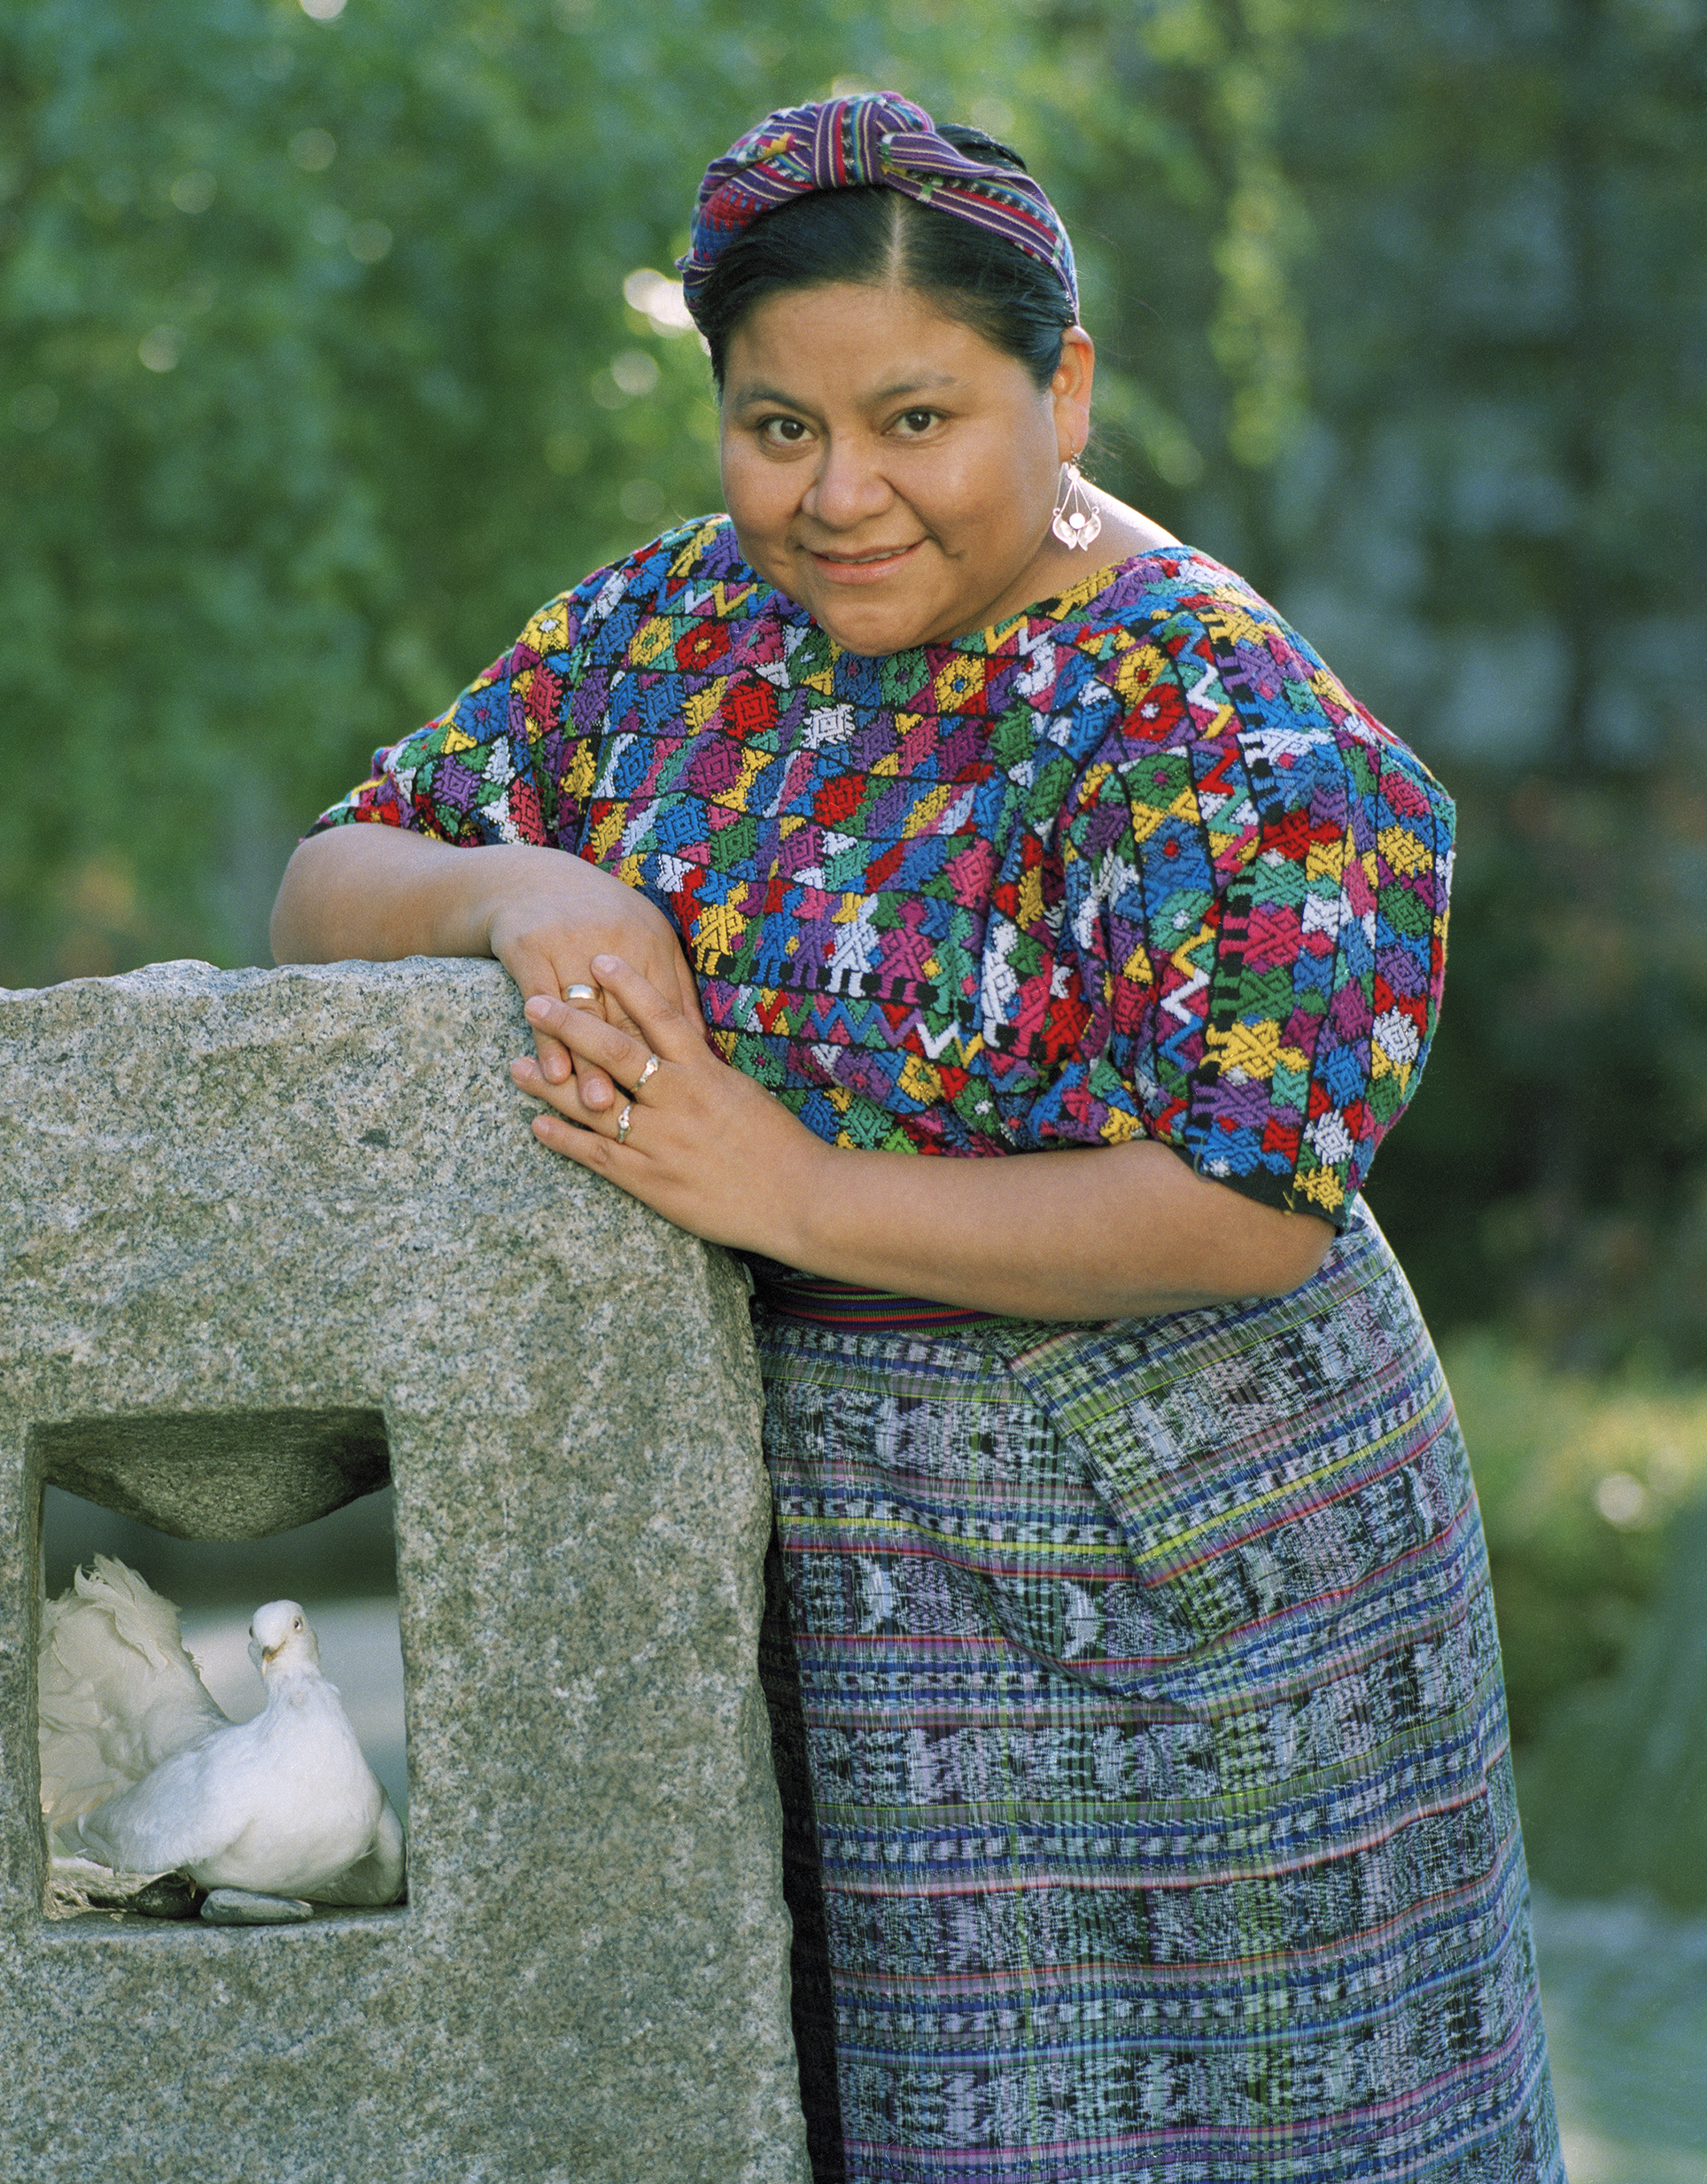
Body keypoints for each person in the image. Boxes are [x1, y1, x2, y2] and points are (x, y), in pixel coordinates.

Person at [272, 91, 1561, 2184]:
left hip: (1186, 1552)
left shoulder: (1223, 730)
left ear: (1060, 386)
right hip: (812, 1559)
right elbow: (330, 878)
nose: (837, 496)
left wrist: (783, 1192)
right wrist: (519, 893)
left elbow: (1246, 1210)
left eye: (913, 421)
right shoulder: (667, 637)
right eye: (775, 428)